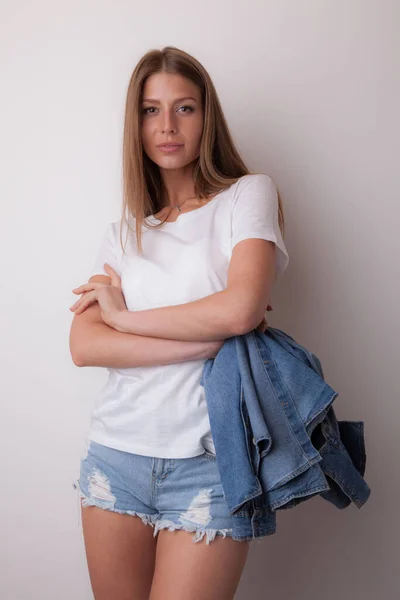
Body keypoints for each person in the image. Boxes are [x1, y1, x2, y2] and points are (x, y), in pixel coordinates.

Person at [69, 45, 289, 600]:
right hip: (115, 457)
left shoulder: (247, 195)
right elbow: (85, 343)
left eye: (184, 108)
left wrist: (127, 319)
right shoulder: (124, 232)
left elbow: (241, 308)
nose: (167, 125)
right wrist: (208, 337)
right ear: (135, 123)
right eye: (150, 110)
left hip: (210, 465)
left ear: (206, 117)